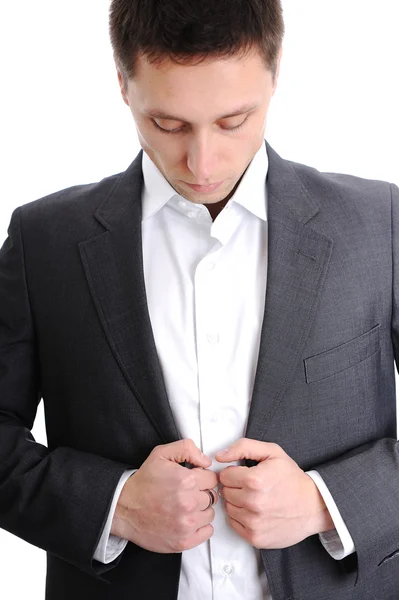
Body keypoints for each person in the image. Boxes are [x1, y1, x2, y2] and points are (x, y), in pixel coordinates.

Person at [0, 0, 398, 598]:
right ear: (121, 83)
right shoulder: (45, 241)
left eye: (234, 120)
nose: (202, 162)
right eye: (168, 124)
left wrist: (326, 502)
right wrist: (117, 507)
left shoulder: (380, 225)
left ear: (276, 71)